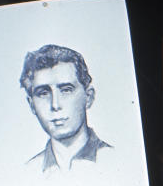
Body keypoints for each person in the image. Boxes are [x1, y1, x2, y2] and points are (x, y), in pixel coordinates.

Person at [20, 44, 111, 176]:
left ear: (89, 97)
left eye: (66, 90)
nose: (55, 105)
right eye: (43, 93)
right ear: (32, 105)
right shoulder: (26, 173)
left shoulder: (115, 160)